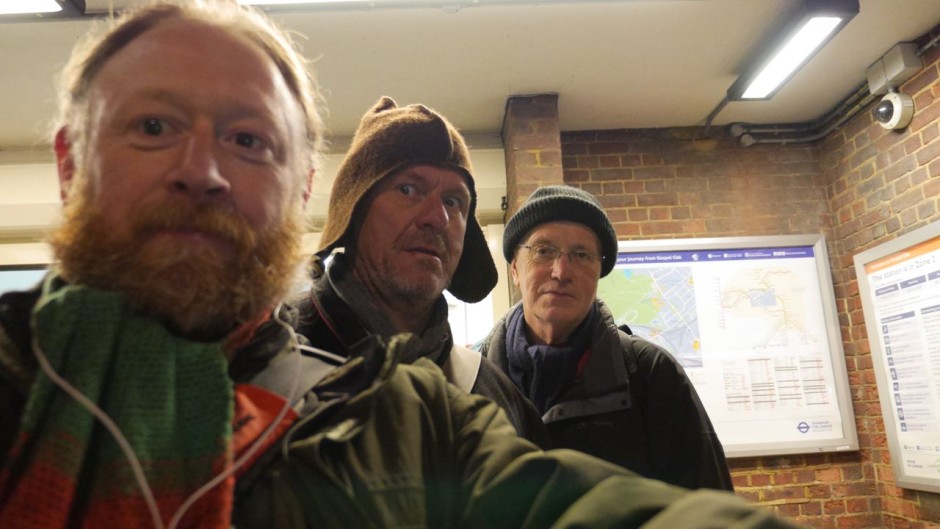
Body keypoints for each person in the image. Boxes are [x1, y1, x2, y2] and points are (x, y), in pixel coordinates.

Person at [0, 2, 804, 527]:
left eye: (248, 140)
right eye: (153, 125)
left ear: (298, 188)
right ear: (70, 163)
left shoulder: (417, 419)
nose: (202, 171)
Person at [294, 96, 549, 447]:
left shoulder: (496, 398)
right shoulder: (268, 359)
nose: (437, 218)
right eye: (408, 189)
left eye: (453, 201)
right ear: (353, 210)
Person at [479, 185, 736, 491]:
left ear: (599, 272)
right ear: (515, 270)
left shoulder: (650, 375)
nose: (561, 271)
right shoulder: (471, 378)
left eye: (581, 255)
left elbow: (708, 504)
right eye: (543, 251)